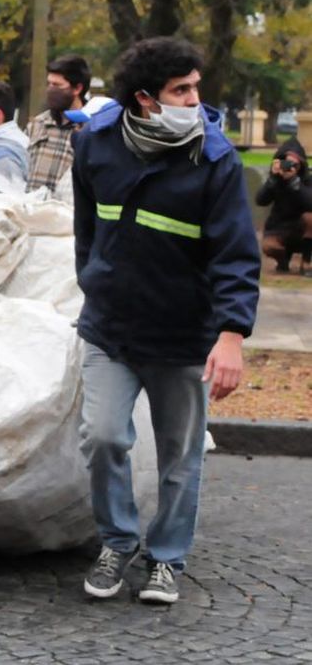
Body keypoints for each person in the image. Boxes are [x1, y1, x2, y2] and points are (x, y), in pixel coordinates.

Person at [72, 37, 259, 605]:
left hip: (183, 335)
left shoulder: (215, 158)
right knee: (102, 437)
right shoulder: (97, 145)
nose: (196, 100)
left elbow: (235, 253)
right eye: (183, 90)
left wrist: (230, 334)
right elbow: (87, 230)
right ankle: (117, 541)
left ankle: (167, 557)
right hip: (111, 327)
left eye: (197, 87)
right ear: (146, 100)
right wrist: (95, 281)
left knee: (181, 455)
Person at [26, 54, 92, 198]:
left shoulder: (91, 129)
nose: (50, 90)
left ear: (77, 89)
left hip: (67, 215)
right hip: (29, 214)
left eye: (57, 85)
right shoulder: (38, 124)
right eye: (49, 84)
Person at [257, 137, 312, 274]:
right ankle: (283, 261)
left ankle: (306, 262)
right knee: (269, 247)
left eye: (294, 164)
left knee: (310, 217)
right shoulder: (275, 181)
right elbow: (260, 200)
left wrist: (294, 182)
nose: (289, 167)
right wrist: (273, 180)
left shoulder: (306, 181)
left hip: (302, 228)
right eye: (286, 163)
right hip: (279, 227)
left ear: (301, 164)